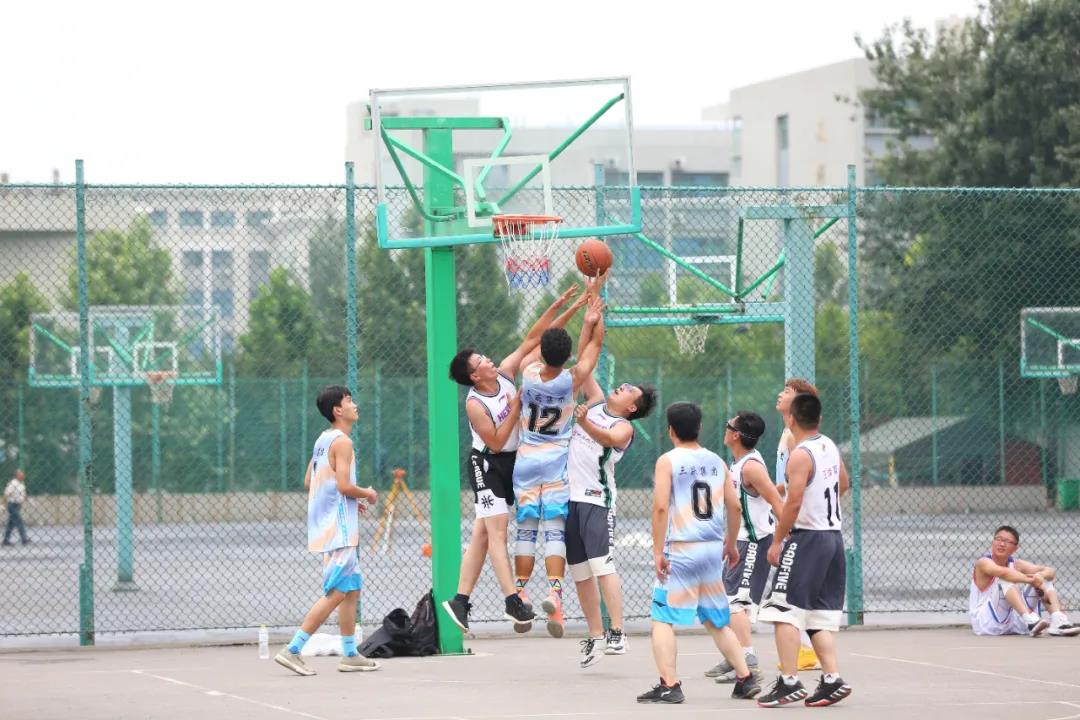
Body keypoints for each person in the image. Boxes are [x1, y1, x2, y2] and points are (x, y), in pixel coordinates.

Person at [442, 284, 588, 635]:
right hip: (487, 465)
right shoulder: (475, 404)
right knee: (497, 533)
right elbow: (493, 441)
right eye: (481, 362)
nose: (489, 360)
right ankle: (512, 599)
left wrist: (563, 306)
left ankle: (460, 600)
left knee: (482, 535)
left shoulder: (506, 373)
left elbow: (535, 339)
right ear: (475, 376)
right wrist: (517, 405)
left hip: (513, 462)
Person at [637, 402, 761, 704]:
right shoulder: (717, 462)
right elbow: (734, 506)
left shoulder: (668, 461)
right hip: (711, 550)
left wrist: (657, 551)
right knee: (715, 619)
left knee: (661, 618)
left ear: (670, 430)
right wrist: (730, 543)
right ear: (700, 428)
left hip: (681, 548)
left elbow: (661, 507)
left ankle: (670, 684)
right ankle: (745, 677)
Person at [513, 288, 607, 638]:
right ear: (567, 356)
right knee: (554, 529)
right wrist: (595, 316)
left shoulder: (527, 372)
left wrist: (567, 310)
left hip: (526, 459)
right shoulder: (572, 380)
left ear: (543, 352)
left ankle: (520, 593)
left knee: (526, 529)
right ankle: (554, 593)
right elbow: (594, 348)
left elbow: (533, 337)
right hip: (555, 461)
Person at [274, 386, 380, 675]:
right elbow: (344, 485)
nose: (355, 405)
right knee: (336, 592)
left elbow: (311, 480)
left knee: (351, 590)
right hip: (339, 530)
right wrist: (367, 494)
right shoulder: (343, 442)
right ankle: (292, 649)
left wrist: (349, 502)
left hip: (329, 525)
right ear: (337, 410)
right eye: (349, 401)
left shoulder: (323, 440)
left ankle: (350, 654)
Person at [757, 393, 851, 707]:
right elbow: (844, 483)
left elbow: (794, 502)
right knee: (818, 617)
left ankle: (789, 681)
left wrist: (777, 540)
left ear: (791, 419)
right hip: (833, 537)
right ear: (819, 419)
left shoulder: (800, 454)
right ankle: (831, 678)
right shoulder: (829, 445)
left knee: (782, 610)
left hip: (808, 539)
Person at [568, 375, 656, 668]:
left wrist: (583, 423)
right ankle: (595, 636)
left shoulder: (623, 426)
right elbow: (584, 369)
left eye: (630, 390)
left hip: (597, 500)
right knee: (581, 573)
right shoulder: (596, 404)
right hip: (570, 499)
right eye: (625, 384)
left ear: (632, 407)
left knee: (602, 566)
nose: (623, 386)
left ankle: (617, 632)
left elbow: (609, 439)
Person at [707, 411, 783, 683]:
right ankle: (735, 656)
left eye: (728, 426)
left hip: (753, 542)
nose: (725, 429)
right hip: (739, 541)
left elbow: (776, 501)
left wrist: (779, 540)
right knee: (726, 599)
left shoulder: (751, 467)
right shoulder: (739, 464)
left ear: (736, 435)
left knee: (736, 603)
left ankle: (748, 661)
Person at [773, 377, 822, 672]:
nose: (781, 394)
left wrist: (771, 492)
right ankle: (804, 648)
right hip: (787, 514)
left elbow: (796, 483)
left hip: (796, 519)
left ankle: (805, 649)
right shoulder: (787, 433)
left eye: (788, 392)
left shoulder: (795, 439)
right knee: (791, 584)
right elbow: (786, 480)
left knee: (792, 587)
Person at [969, 525, 1080, 637]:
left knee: (1044, 579)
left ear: (1015, 548)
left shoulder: (1016, 563)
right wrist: (1033, 580)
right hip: (986, 623)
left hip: (1014, 622)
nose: (1001, 544)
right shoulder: (983, 562)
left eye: (1007, 541)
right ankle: (1030, 619)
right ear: (993, 542)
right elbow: (1004, 573)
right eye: (998, 539)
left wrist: (1040, 576)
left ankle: (1058, 621)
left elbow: (1050, 572)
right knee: (1006, 579)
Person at [3, 469, 29, 546]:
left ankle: (6, 540)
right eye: (21, 474)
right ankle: (24, 539)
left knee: (10, 524)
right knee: (19, 521)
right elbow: (6, 494)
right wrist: (3, 504)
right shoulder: (12, 483)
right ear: (17, 475)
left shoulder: (22, 484)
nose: (23, 476)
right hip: (12, 505)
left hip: (18, 505)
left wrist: (26, 500)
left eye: (23, 474)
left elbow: (23, 494)